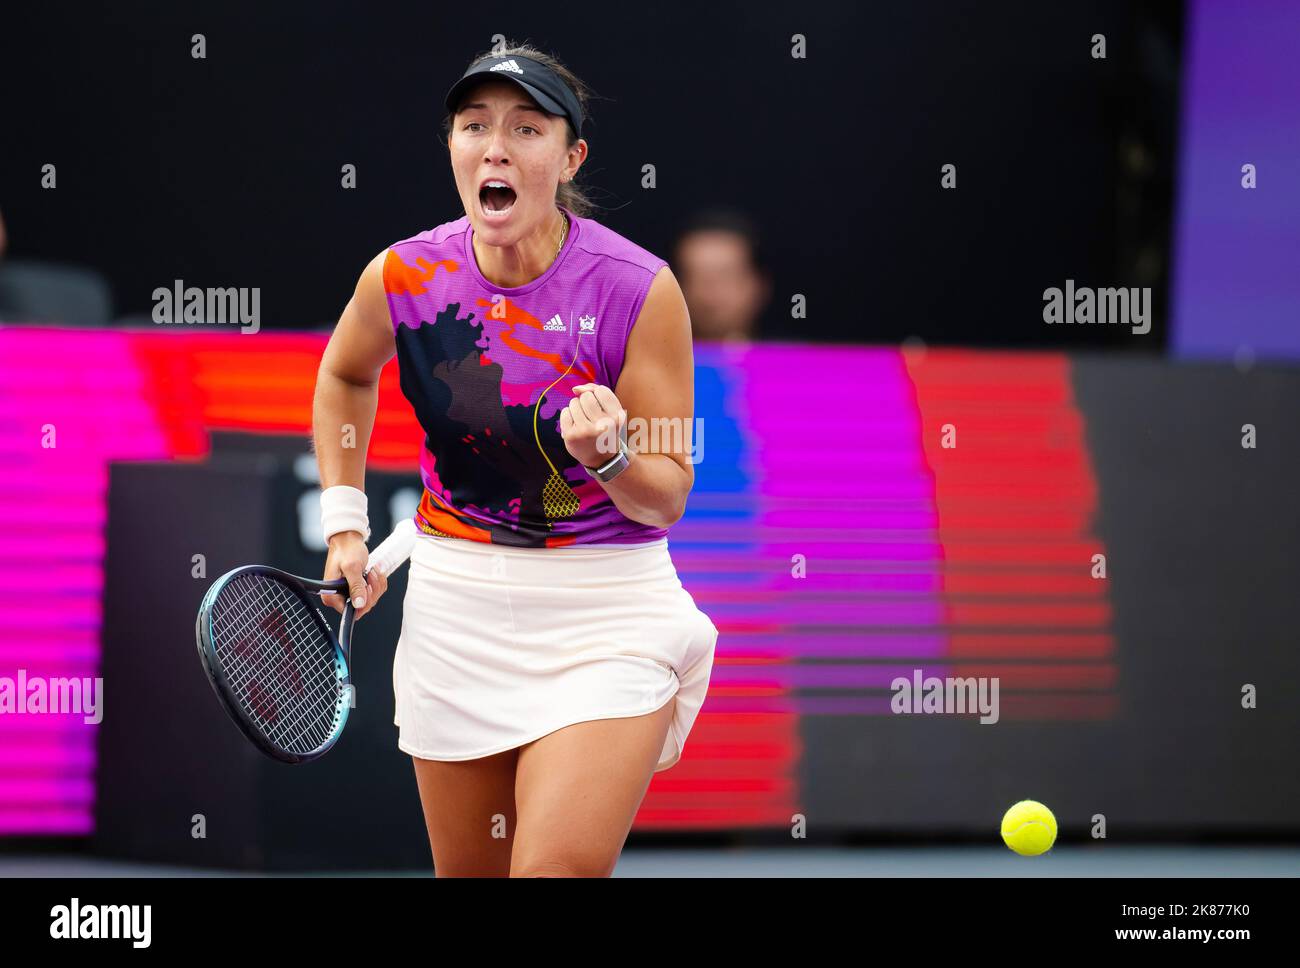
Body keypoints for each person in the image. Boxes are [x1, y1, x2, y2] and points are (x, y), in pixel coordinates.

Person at [310, 43, 717, 877]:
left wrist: (610, 458)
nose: (495, 145)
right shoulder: (403, 274)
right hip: (456, 615)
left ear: (570, 159)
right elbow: (346, 373)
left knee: (552, 870)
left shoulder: (638, 289)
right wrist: (346, 526)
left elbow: (666, 497)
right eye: (475, 126)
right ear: (455, 150)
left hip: (605, 615)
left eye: (526, 128)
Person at [671, 208, 773, 342]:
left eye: (725, 277)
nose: (710, 296)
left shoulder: (794, 359)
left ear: (759, 285)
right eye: (695, 279)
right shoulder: (647, 360)